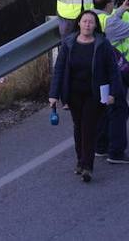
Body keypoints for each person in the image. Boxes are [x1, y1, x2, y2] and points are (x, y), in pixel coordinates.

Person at [49, 10, 116, 182]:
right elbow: (59, 69)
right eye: (84, 21)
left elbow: (113, 70)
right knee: (78, 127)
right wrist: (54, 94)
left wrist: (113, 94)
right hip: (73, 93)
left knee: (88, 128)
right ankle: (80, 160)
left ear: (95, 26)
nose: (87, 25)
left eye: (91, 22)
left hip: (94, 94)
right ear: (79, 23)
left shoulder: (102, 44)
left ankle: (87, 166)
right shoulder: (69, 43)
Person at [94, 0, 129, 165]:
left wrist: (122, 9)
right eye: (113, 2)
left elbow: (110, 19)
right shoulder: (110, 23)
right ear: (108, 4)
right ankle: (116, 151)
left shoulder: (90, 17)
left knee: (103, 108)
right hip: (114, 72)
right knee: (118, 110)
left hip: (96, 72)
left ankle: (100, 146)